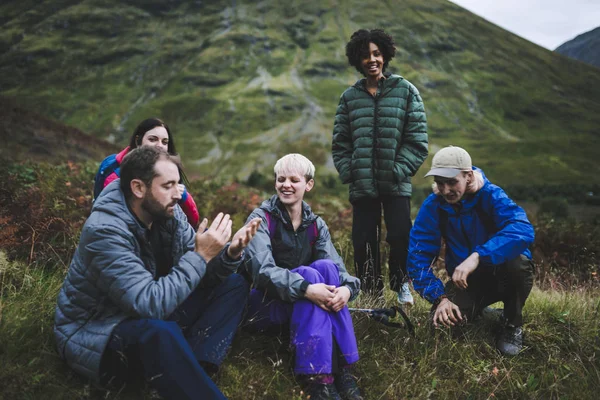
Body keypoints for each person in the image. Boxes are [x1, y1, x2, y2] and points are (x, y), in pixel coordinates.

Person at [54, 146, 262, 399]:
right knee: (158, 332)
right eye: (168, 186)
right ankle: (190, 381)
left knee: (234, 283)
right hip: (100, 333)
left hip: (148, 312)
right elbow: (149, 305)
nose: (178, 194)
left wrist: (230, 254)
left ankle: (196, 370)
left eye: (178, 184)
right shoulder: (105, 231)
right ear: (138, 188)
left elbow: (201, 276)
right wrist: (201, 255)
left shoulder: (168, 215)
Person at [243, 154, 363, 400]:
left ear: (308, 185)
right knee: (309, 273)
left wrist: (347, 290)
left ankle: (340, 369)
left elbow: (338, 270)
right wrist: (307, 288)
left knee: (327, 268)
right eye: (281, 179)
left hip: (304, 305)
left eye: (293, 180)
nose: (285, 184)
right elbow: (262, 271)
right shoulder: (261, 218)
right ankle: (316, 376)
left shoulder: (315, 224)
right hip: (263, 305)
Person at [407, 146, 535, 356]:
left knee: (518, 263)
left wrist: (478, 256)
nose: (446, 189)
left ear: (468, 176)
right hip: (466, 282)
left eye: (452, 182)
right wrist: (441, 298)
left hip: (503, 274)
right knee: (440, 326)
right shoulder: (434, 205)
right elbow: (417, 256)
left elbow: (522, 230)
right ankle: (487, 314)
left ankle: (512, 324)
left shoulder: (491, 195)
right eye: (440, 182)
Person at [332, 28, 428, 302]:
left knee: (399, 236)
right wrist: (350, 170)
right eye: (365, 56)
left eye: (376, 54)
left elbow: (417, 140)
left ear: (385, 55)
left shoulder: (406, 91)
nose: (372, 60)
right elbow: (340, 143)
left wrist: (398, 170)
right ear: (358, 60)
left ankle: (400, 285)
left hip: (396, 181)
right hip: (362, 183)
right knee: (363, 241)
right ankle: (371, 292)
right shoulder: (349, 98)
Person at [94, 117, 200, 229]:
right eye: (153, 139)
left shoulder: (168, 171)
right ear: (138, 141)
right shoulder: (115, 174)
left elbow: (192, 221)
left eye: (165, 142)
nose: (160, 145)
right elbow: (112, 217)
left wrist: (182, 196)